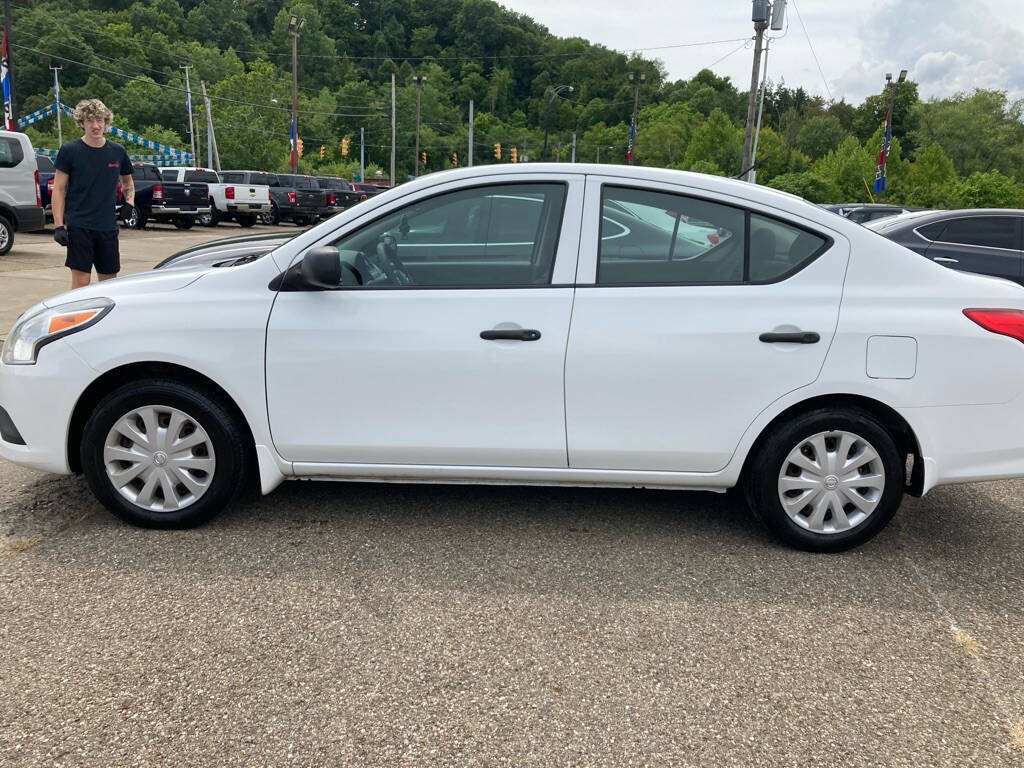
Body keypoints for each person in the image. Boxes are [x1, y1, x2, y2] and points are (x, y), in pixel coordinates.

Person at [50, 99, 135, 289]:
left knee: (109, 284)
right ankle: (78, 318)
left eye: (100, 120)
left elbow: (128, 182)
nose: (96, 126)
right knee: (81, 284)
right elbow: (59, 189)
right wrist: (58, 226)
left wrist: (129, 203)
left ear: (106, 122)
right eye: (90, 121)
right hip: (80, 226)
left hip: (107, 227)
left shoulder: (117, 152)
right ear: (82, 123)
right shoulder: (69, 151)